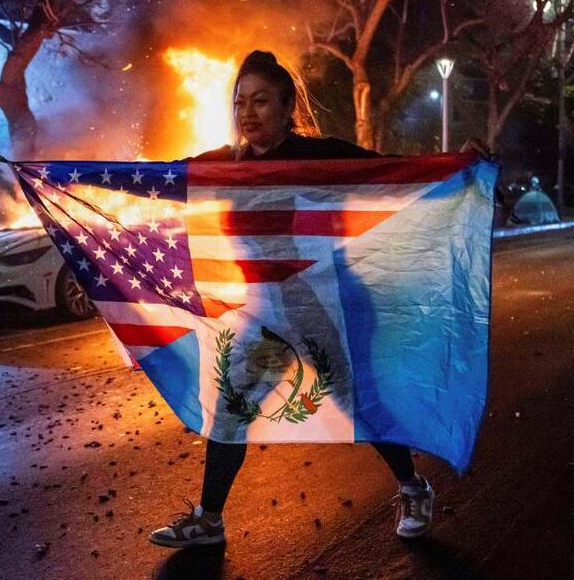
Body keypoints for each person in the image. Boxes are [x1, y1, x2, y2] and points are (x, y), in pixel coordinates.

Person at [148, 50, 452, 548]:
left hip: (317, 304)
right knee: (230, 412)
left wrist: (465, 167)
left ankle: (414, 488)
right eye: (241, 102)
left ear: (288, 105)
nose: (248, 112)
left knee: (357, 404)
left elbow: (398, 174)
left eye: (261, 101)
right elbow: (160, 180)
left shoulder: (319, 156)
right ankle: (209, 519)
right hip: (264, 312)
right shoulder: (225, 167)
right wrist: (59, 177)